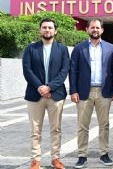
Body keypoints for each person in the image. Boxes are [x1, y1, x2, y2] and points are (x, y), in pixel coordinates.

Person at [69, 19, 113, 168]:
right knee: (82, 125)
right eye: (92, 27)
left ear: (102, 30)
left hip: (104, 92)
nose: (95, 30)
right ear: (87, 30)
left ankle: (104, 154)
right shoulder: (79, 48)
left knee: (104, 125)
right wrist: (73, 91)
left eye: (97, 27)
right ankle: (82, 155)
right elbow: (73, 71)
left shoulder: (110, 48)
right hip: (85, 92)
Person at [23, 18, 69, 169]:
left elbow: (64, 71)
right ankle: (35, 160)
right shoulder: (31, 49)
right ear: (40, 30)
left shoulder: (62, 49)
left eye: (50, 28)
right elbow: (27, 71)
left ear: (55, 31)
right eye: (44, 27)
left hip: (56, 95)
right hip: (35, 95)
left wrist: (49, 87)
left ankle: (56, 158)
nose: (47, 30)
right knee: (35, 130)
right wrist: (40, 87)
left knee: (56, 129)